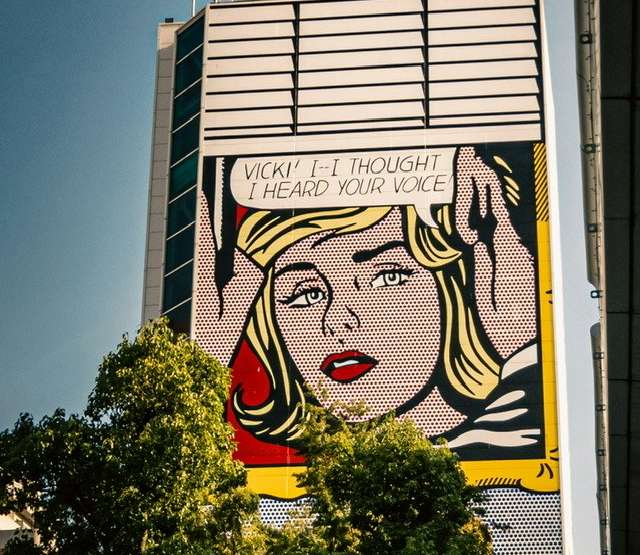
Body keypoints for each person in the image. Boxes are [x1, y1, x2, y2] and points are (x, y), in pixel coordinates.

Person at [197, 143, 542, 456]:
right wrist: (205, 373)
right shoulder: (276, 490)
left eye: (387, 276)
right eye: (307, 294)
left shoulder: (508, 438)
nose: (337, 320)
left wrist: (518, 347)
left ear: (450, 288)